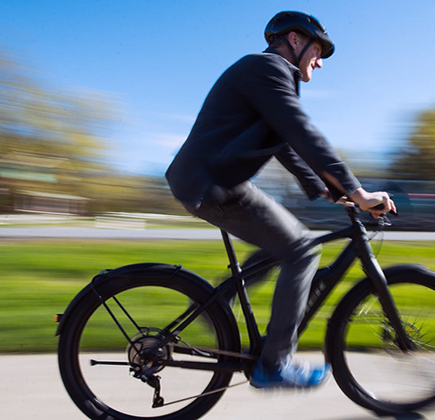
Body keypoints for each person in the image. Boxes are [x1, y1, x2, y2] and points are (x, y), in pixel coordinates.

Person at [165, 10, 396, 389]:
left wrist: (330, 190)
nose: (319, 62)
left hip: (214, 181)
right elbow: (302, 131)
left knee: (288, 241)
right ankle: (273, 365)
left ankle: (216, 306)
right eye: (318, 50)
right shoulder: (267, 69)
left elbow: (285, 143)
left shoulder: (265, 73)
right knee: (303, 250)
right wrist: (357, 191)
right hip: (212, 184)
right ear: (294, 39)